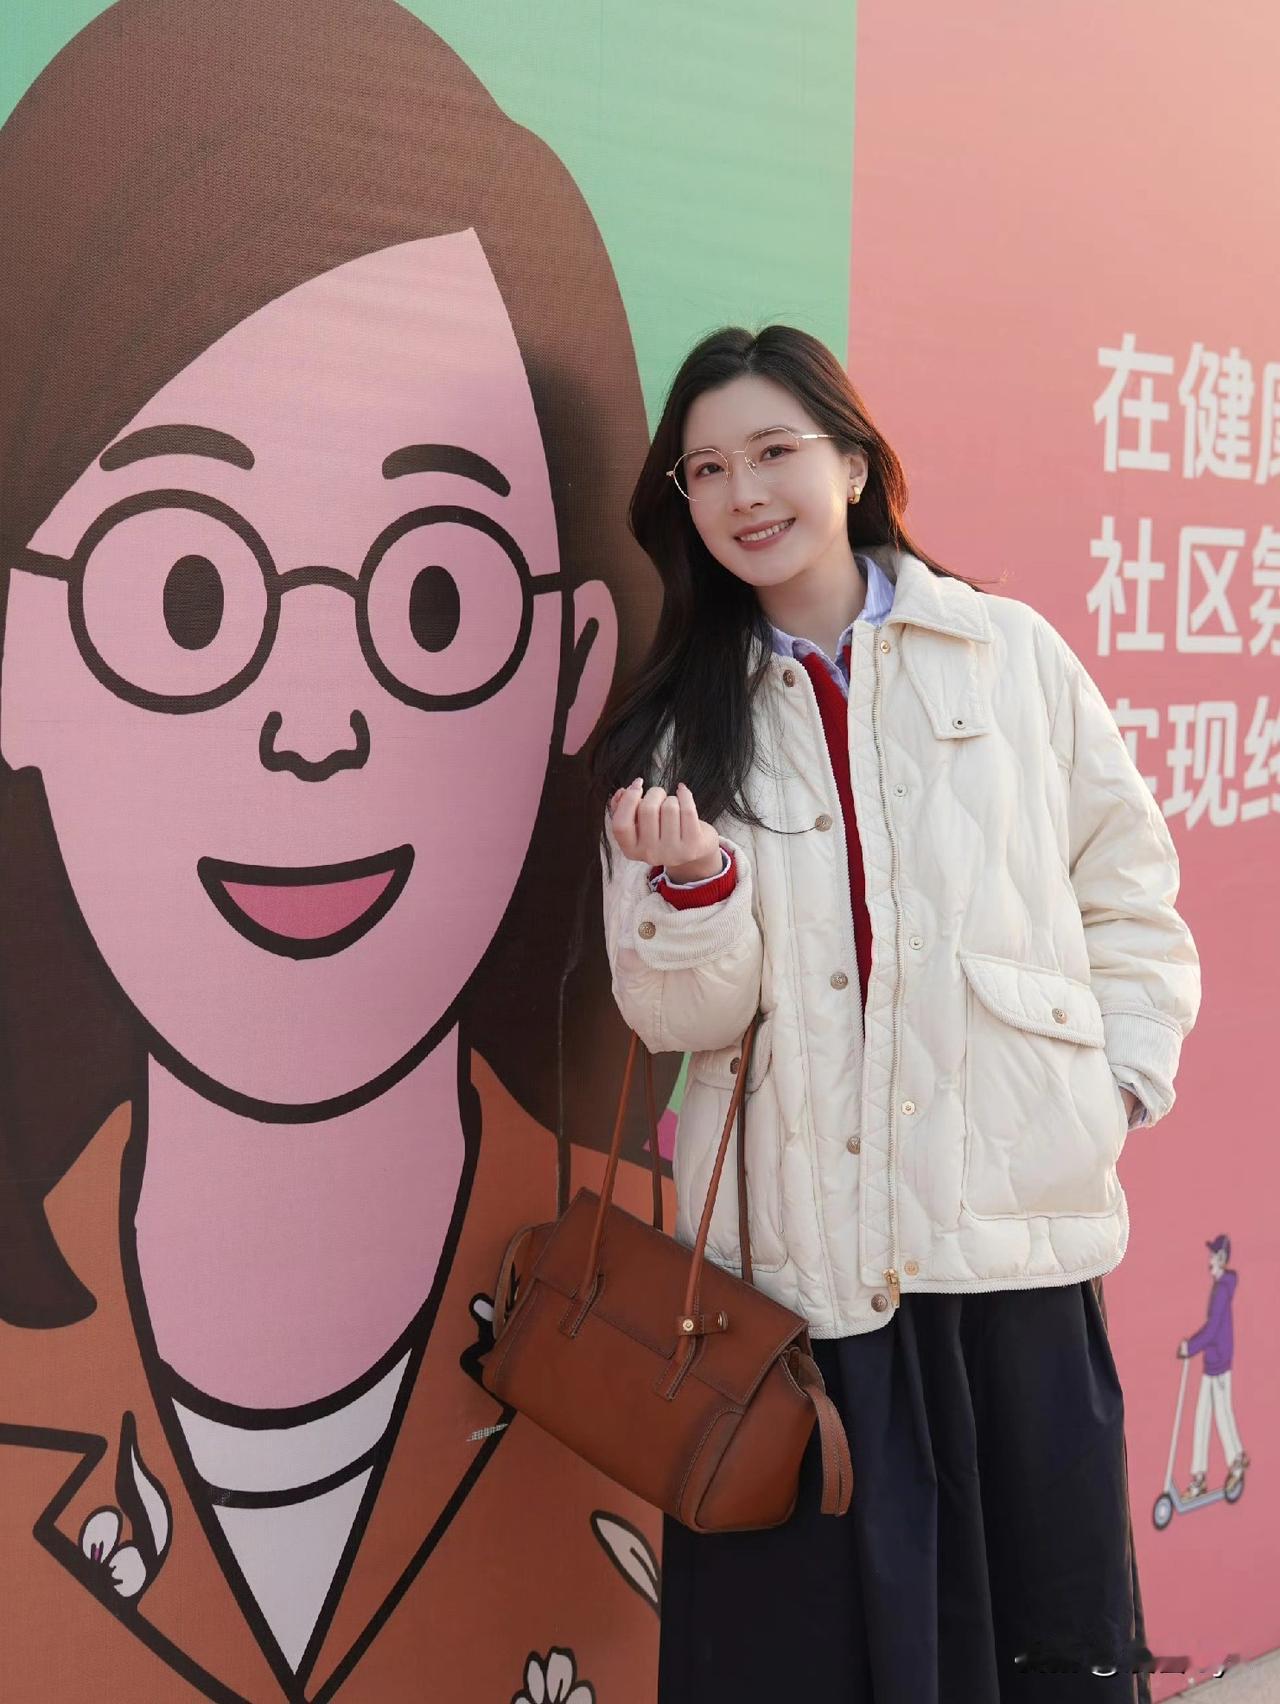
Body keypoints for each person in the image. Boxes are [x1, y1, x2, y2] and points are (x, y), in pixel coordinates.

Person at [0, 3, 671, 1698]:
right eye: (189, 594)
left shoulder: (657, 1295)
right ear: (17, 652)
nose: (316, 723)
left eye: (434, 596)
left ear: (577, 665)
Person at [591, 324, 1201, 1702]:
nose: (744, 493)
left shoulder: (1007, 655)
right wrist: (696, 889)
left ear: (854, 465)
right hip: (803, 1285)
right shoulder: (678, 724)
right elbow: (672, 1014)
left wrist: (1110, 1088)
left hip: (1007, 1260)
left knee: (1035, 1646)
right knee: (817, 1663)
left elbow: (1127, 888)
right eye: (705, 469)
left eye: (773, 452)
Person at [1177, 1234, 1248, 1497]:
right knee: (1203, 1417)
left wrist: (1190, 1347)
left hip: (1219, 1363)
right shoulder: (1220, 1286)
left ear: (1221, 1258)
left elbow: (1212, 1329)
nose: (1209, 1259)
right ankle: (1199, 1477)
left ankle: (1236, 1460)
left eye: (1213, 1255)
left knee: (1222, 1414)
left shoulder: (1222, 1290)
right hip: (1212, 1362)